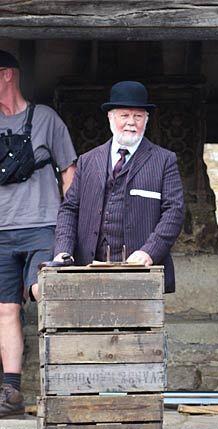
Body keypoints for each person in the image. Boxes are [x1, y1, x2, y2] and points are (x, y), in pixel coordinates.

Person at [0, 50, 77, 418]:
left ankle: (63, 383)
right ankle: (11, 390)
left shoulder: (45, 118)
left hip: (42, 225)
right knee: (5, 310)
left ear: (8, 75)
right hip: (1, 231)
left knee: (43, 291)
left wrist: (68, 220)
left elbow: (69, 171)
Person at [54, 80, 184, 294]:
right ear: (111, 117)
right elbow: (69, 209)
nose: (131, 122)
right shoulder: (87, 161)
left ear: (146, 120)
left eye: (138, 116)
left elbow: (174, 212)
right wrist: (63, 251)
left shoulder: (164, 160)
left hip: (141, 274)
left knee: (139, 327)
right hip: (87, 271)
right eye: (124, 115)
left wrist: (148, 252)